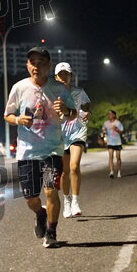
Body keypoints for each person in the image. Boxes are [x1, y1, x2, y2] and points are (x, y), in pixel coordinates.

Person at [4, 46, 76, 248]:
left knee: (51, 191)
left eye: (41, 63)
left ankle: (51, 232)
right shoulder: (19, 87)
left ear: (49, 66)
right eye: (32, 62)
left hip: (52, 150)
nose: (36, 66)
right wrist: (18, 120)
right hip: (27, 152)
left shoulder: (60, 89)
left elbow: (73, 114)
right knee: (31, 198)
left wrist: (66, 110)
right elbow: (7, 115)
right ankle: (40, 213)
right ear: (27, 65)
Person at [54, 62, 91, 217]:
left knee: (74, 166)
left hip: (77, 131)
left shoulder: (79, 92)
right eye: (60, 74)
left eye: (66, 74)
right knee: (64, 172)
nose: (63, 77)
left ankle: (75, 201)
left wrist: (87, 112)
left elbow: (87, 106)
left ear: (70, 76)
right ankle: (67, 200)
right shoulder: (51, 95)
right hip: (61, 135)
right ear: (56, 77)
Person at [102, 110, 124, 178]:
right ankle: (111, 172)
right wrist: (104, 132)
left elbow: (121, 132)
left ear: (114, 115)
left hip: (117, 142)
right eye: (108, 114)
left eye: (110, 114)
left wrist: (116, 129)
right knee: (110, 157)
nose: (109, 115)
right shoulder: (106, 123)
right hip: (110, 142)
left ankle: (119, 171)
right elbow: (103, 130)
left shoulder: (118, 123)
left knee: (118, 157)